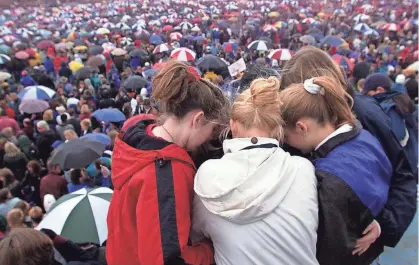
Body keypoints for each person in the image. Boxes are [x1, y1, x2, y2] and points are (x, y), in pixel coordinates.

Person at [279, 47, 417, 252]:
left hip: (354, 243)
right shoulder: (293, 120)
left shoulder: (366, 114)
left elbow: (403, 175)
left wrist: (383, 223)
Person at [107, 60, 229, 265]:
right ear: (197, 119)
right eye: (212, 130)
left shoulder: (139, 138)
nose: (210, 138)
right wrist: (209, 249)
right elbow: (166, 259)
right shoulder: (168, 170)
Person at [192, 77, 319, 265]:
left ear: (233, 125)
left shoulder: (208, 174)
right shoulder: (303, 169)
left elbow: (196, 234)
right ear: (277, 128)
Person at [279, 75, 392, 265]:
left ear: (301, 127)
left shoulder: (329, 180)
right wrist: (373, 220)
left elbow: (329, 248)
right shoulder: (363, 136)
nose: (286, 142)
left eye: (286, 136)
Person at [362, 73, 418, 175]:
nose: (366, 98)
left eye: (367, 94)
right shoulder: (400, 101)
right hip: (410, 163)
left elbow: (398, 137)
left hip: (400, 169)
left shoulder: (389, 107)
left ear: (379, 90)